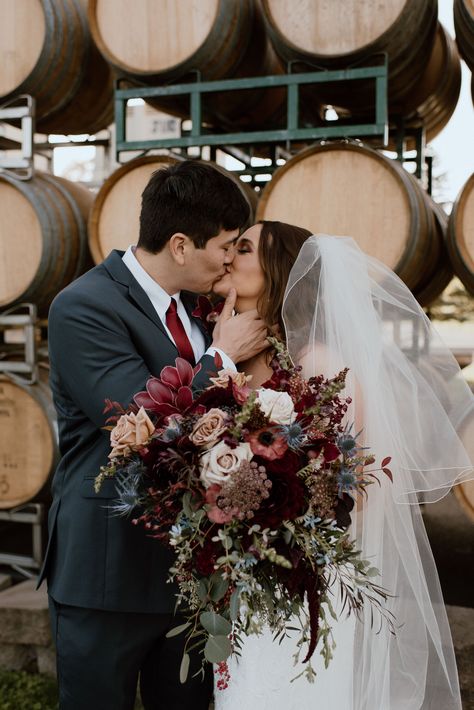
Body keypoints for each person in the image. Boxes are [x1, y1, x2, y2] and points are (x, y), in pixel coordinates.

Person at [38, 160, 271, 710]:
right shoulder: (83, 307)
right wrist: (222, 357)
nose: (229, 258)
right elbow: (145, 421)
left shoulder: (201, 306)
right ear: (182, 245)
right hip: (107, 575)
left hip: (192, 575)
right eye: (226, 245)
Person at [212, 220, 474, 710]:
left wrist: (283, 523)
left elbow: (351, 481)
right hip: (245, 563)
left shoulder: (320, 361)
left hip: (306, 570)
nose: (228, 256)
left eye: (243, 248)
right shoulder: (233, 356)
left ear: (278, 271)